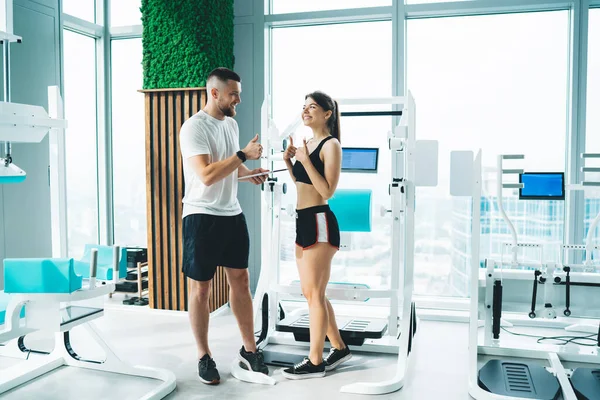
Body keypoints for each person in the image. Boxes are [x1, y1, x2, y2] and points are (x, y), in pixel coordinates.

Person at [179, 67, 270, 385]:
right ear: (214, 92)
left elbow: (231, 168)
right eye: (234, 94)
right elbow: (206, 174)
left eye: (239, 93)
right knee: (201, 289)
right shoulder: (193, 128)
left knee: (241, 282)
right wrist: (243, 154)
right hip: (201, 215)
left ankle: (250, 350)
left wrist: (250, 172)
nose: (239, 99)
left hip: (232, 214)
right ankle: (204, 356)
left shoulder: (231, 123)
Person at [280, 91, 352, 379]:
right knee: (311, 292)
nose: (306, 111)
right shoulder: (307, 143)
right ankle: (338, 346)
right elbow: (303, 184)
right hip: (303, 219)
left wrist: (305, 158)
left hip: (320, 220)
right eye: (304, 107)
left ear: (327, 114)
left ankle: (315, 361)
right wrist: (290, 162)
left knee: (314, 294)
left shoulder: (330, 145)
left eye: (312, 107)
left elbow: (327, 191)